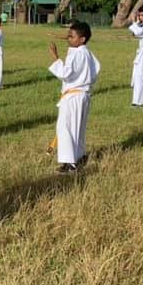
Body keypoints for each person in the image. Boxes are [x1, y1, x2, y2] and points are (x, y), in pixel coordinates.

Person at [47, 21, 100, 174]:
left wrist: (55, 57)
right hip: (83, 95)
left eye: (72, 36)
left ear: (82, 39)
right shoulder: (87, 52)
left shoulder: (77, 53)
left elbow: (65, 73)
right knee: (78, 128)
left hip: (73, 97)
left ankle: (69, 163)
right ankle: (79, 156)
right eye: (68, 35)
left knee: (66, 128)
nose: (68, 38)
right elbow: (96, 68)